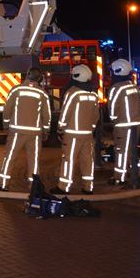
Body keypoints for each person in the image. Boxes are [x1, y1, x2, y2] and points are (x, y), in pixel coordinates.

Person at [0, 67, 52, 191]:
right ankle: (33, 186)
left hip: (16, 132)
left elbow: (7, 109)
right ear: (39, 78)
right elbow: (46, 115)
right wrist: (46, 130)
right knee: (34, 160)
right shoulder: (42, 93)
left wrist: (6, 125)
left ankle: (4, 184)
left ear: (27, 75)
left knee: (10, 157)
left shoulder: (16, 90)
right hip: (34, 133)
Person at [50, 64, 99, 196]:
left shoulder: (72, 93)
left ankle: (64, 187)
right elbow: (96, 116)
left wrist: (60, 129)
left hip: (72, 134)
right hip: (87, 134)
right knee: (87, 160)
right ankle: (88, 187)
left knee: (68, 160)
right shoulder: (93, 94)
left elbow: (65, 113)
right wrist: (91, 128)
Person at [107, 59, 140, 186]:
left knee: (121, 151)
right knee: (133, 150)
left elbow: (112, 108)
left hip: (123, 125)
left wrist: (113, 121)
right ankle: (139, 173)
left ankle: (120, 177)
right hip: (137, 124)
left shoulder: (116, 88)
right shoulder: (134, 86)